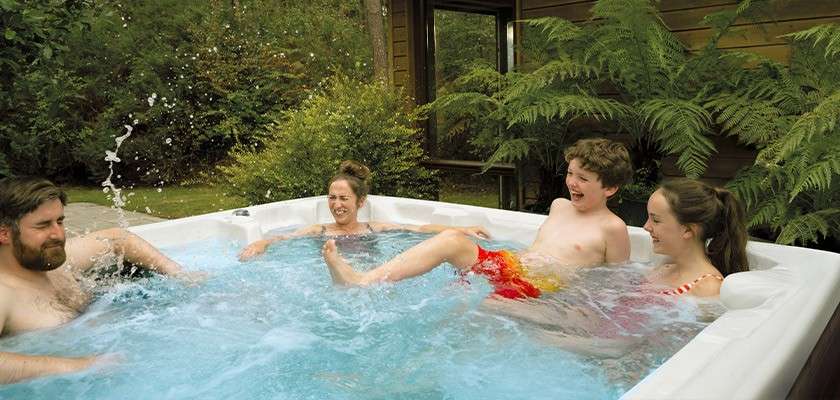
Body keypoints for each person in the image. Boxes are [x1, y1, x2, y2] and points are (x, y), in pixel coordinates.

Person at [321, 138, 634, 299]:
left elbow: (613, 283)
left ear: (610, 187)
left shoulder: (613, 228)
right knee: (452, 241)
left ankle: (363, 281)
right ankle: (362, 280)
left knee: (479, 301)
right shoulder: (559, 206)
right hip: (515, 266)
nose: (572, 183)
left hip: (540, 287)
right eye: (570, 174)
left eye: (584, 179)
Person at [0, 177, 197, 384]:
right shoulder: (4, 292)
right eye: (43, 226)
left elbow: (117, 238)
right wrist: (82, 366)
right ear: (4, 233)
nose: (58, 234)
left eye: (60, 221)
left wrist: (178, 273)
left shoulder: (52, 262)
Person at [238, 160, 489, 260]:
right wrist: (262, 243)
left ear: (360, 202)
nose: (336, 204)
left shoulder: (374, 227)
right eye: (332, 198)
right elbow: (284, 238)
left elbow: (420, 229)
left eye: (344, 198)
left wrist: (460, 229)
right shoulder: (319, 230)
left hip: (372, 277)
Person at [643, 178, 749, 297]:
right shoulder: (664, 269)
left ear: (688, 230)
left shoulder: (708, 288)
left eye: (656, 220)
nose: (646, 226)